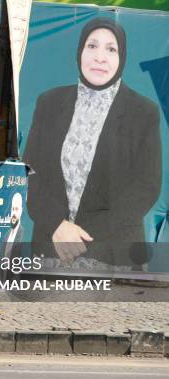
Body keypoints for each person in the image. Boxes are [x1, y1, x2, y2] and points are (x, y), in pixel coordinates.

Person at [24, 18, 161, 267]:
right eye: (92, 46)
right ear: (80, 52)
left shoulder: (143, 112)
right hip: (50, 248)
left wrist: (78, 235)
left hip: (113, 256)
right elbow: (30, 172)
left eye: (111, 49)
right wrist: (57, 226)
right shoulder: (50, 103)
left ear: (122, 57)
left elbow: (146, 187)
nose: (100, 57)